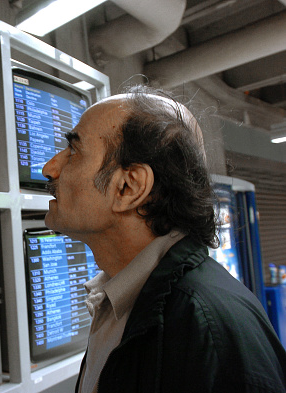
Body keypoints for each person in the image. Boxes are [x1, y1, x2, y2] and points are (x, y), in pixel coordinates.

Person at [41, 85, 286, 393]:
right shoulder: (121, 300)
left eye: (73, 152)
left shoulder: (207, 328)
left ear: (129, 188)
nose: (49, 169)